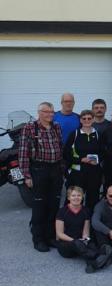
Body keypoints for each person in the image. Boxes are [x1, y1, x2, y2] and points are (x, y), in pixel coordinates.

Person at [18, 101, 64, 253]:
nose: (49, 114)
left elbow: (60, 148)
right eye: (46, 112)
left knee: (54, 204)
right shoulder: (30, 128)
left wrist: (62, 169)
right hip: (39, 169)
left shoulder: (56, 127)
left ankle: (50, 236)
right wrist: (26, 175)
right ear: (39, 112)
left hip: (56, 169)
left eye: (51, 112)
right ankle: (38, 239)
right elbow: (23, 153)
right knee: (39, 205)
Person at [55, 184, 112, 272]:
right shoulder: (62, 211)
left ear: (82, 197)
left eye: (79, 195)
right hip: (66, 244)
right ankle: (102, 257)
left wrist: (85, 240)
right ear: (68, 197)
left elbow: (86, 232)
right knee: (78, 244)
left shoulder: (85, 211)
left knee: (91, 244)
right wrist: (75, 241)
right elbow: (60, 234)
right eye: (73, 195)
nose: (76, 198)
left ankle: (93, 265)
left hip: (80, 242)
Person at [63, 109, 103, 210]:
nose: (86, 120)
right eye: (84, 118)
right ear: (80, 120)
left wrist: (97, 160)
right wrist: (81, 160)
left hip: (94, 173)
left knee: (93, 199)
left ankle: (90, 223)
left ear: (93, 119)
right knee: (74, 199)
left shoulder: (97, 134)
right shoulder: (75, 134)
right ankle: (69, 222)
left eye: (89, 118)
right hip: (77, 174)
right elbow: (66, 154)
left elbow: (102, 152)